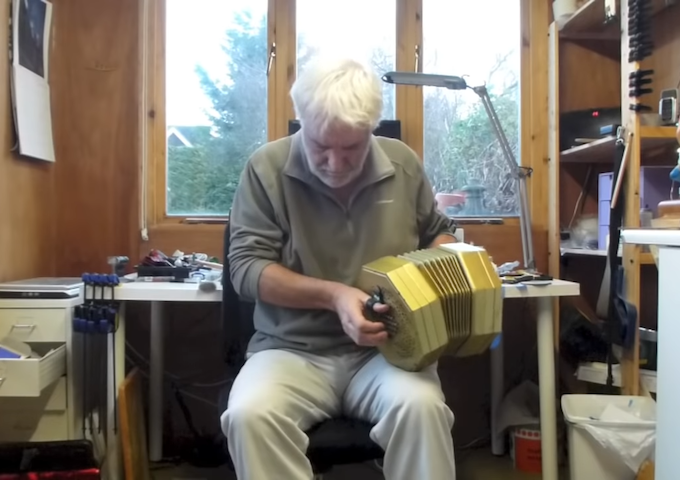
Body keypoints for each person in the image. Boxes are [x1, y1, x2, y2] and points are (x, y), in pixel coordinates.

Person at [222, 56, 458, 480]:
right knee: (249, 415)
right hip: (290, 349)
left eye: (351, 147)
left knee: (423, 411)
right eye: (319, 146)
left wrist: (444, 268)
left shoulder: (402, 163)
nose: (334, 162)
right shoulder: (266, 168)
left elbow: (440, 234)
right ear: (301, 123)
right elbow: (246, 268)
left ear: (372, 129)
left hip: (388, 352)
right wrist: (335, 296)